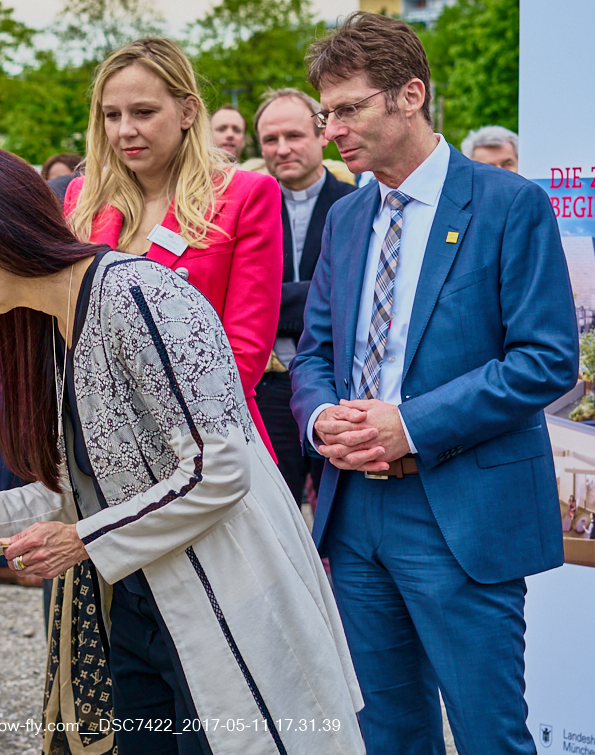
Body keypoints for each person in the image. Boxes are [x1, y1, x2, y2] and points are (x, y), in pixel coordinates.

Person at [0, 143, 364, 755]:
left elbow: (220, 470)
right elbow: (92, 484)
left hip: (224, 597)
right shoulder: (59, 321)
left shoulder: (136, 294)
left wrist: (84, 539)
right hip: (143, 602)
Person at [289, 13, 579, 754]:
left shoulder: (510, 203)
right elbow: (315, 351)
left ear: (409, 95)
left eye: (348, 109)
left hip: (462, 513)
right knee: (387, 736)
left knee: (489, 737)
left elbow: (546, 359)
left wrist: (409, 423)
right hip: (354, 519)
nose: (332, 131)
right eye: (327, 113)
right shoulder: (349, 217)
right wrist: (321, 419)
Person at [65, 38, 282, 463]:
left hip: (211, 450)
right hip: (107, 453)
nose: (125, 129)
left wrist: (144, 425)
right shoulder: (82, 199)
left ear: (187, 112)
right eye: (112, 115)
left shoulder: (245, 195)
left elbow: (243, 356)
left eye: (143, 112)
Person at [254, 88, 356, 501]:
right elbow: (237, 300)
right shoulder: (246, 209)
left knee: (338, 509)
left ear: (321, 134)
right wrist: (317, 293)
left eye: (293, 136)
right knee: (274, 513)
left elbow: (348, 299)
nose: (282, 149)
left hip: (338, 383)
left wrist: (271, 302)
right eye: (269, 140)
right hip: (268, 386)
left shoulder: (355, 204)